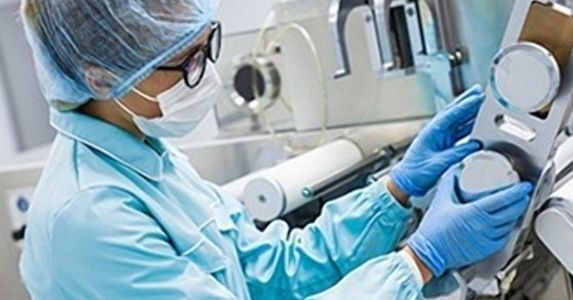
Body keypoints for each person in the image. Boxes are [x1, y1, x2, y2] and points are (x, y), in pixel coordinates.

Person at [19, 1, 533, 299]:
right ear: (100, 76)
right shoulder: (90, 217)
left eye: (207, 45)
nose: (208, 75)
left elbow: (274, 270)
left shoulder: (149, 157)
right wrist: (418, 261)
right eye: (187, 63)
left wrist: (395, 192)